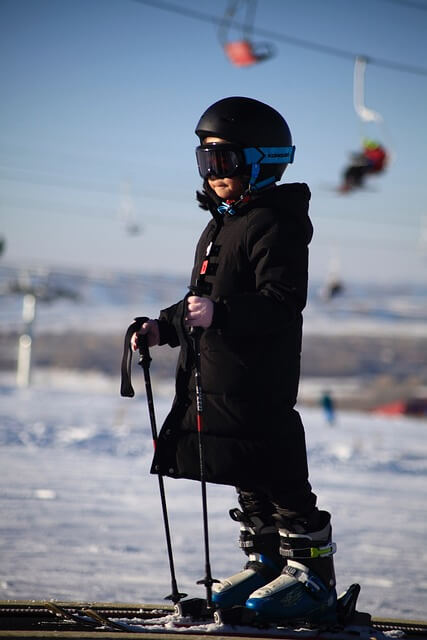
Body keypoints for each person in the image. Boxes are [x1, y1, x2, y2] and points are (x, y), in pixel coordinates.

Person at [131, 97, 337, 623]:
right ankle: (265, 562)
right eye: (206, 163)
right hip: (215, 377)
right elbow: (203, 298)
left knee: (279, 472)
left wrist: (219, 313)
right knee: (243, 470)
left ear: (263, 161)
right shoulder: (223, 222)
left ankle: (312, 579)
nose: (214, 175)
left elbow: (281, 300)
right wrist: (162, 327)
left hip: (258, 377)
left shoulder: (275, 222)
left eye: (225, 162)